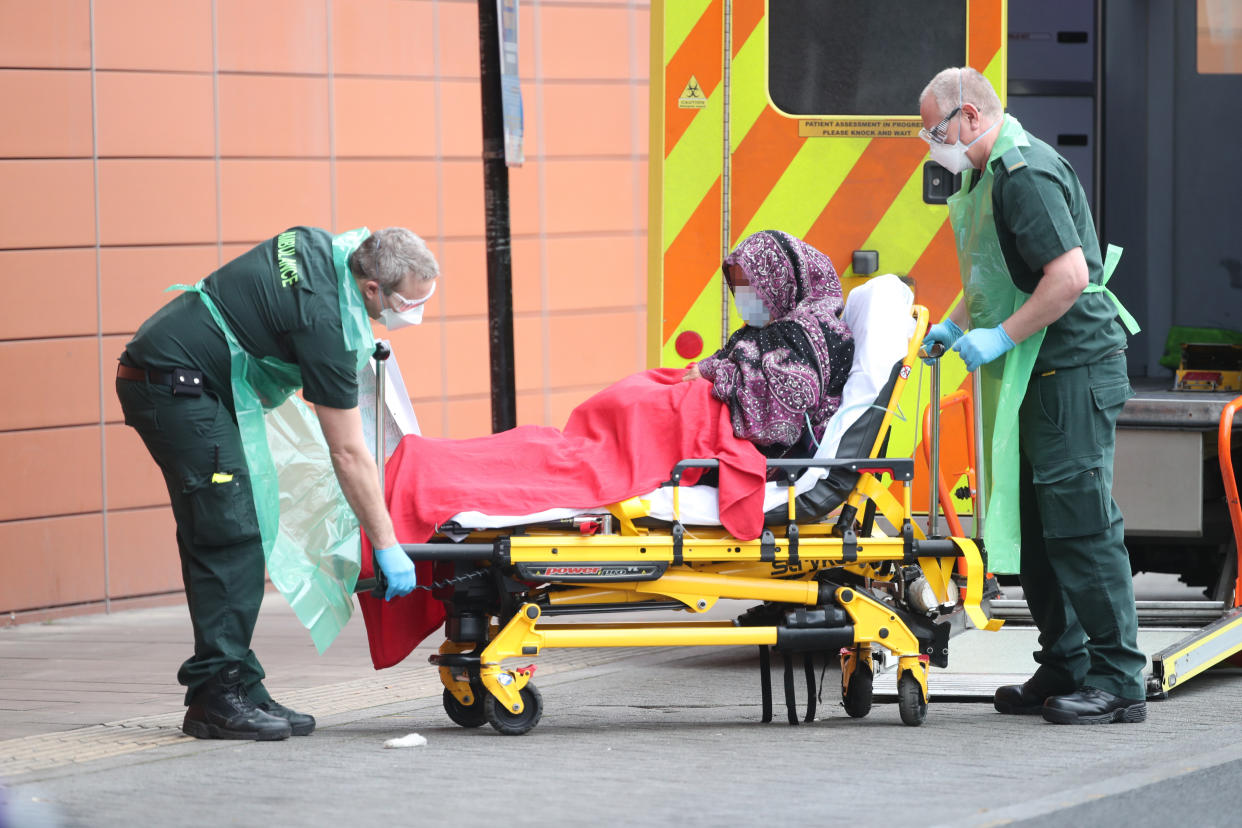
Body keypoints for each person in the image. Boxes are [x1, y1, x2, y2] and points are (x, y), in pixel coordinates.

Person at [116, 226, 437, 740]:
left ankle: (239, 683)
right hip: (174, 385)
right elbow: (349, 454)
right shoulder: (327, 325)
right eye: (407, 302)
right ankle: (214, 699)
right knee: (229, 533)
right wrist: (387, 544)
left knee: (230, 526)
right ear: (372, 289)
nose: (413, 313)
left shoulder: (319, 247)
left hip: (182, 377)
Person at [918, 68, 1146, 724]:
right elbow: (995, 273)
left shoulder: (1025, 174)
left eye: (936, 131)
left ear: (967, 116)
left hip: (1069, 367)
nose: (933, 144)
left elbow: (1069, 276)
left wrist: (997, 339)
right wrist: (960, 326)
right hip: (1035, 369)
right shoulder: (986, 177)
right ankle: (1065, 663)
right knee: (1041, 529)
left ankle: (1118, 678)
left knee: (1079, 524)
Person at [684, 230, 855, 461]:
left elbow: (786, 406)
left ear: (778, 281)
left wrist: (713, 373)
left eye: (750, 286)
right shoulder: (767, 328)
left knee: (640, 406)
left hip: (774, 457)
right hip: (714, 426)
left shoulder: (810, 332)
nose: (742, 297)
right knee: (641, 395)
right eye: (738, 286)